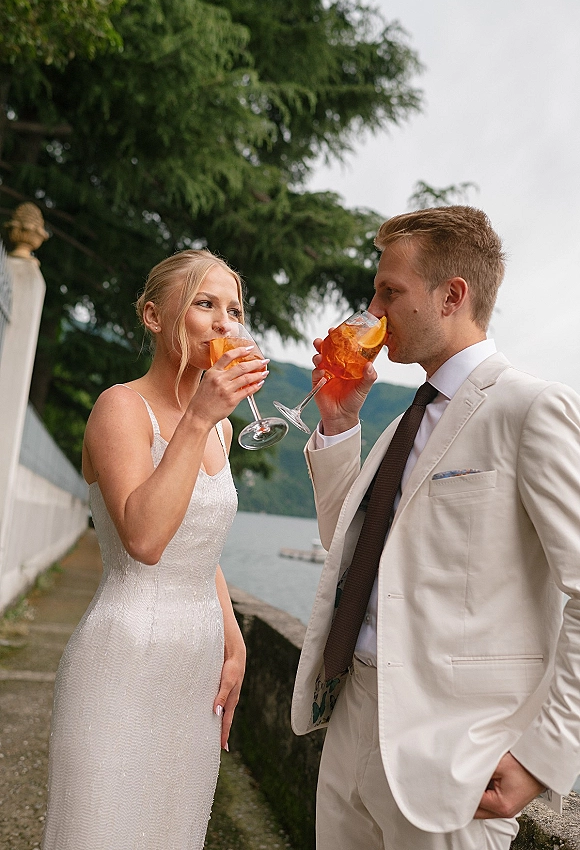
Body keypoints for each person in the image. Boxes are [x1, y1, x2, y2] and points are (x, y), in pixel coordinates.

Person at [291, 206, 580, 850]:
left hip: (452, 760)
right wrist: (339, 422)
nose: (373, 308)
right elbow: (350, 551)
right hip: (351, 722)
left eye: (389, 291)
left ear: (452, 296)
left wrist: (543, 756)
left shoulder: (530, 408)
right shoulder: (403, 423)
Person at [42, 249, 268, 850]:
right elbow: (144, 538)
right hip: (123, 656)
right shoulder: (122, 407)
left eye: (235, 310)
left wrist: (234, 639)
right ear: (152, 315)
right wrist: (196, 420)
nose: (226, 323)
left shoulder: (221, 426)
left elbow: (199, 545)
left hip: (195, 667)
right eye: (205, 303)